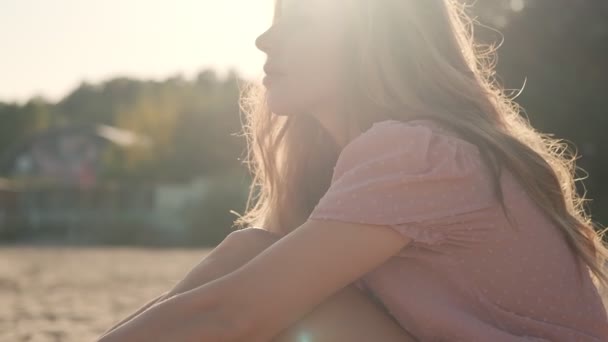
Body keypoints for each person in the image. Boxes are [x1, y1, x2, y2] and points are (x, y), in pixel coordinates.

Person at [97, 0, 608, 341]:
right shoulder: (380, 158)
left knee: (281, 301)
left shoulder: (419, 152)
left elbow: (236, 314)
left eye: (298, 22)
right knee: (249, 253)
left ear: (374, 40)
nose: (264, 41)